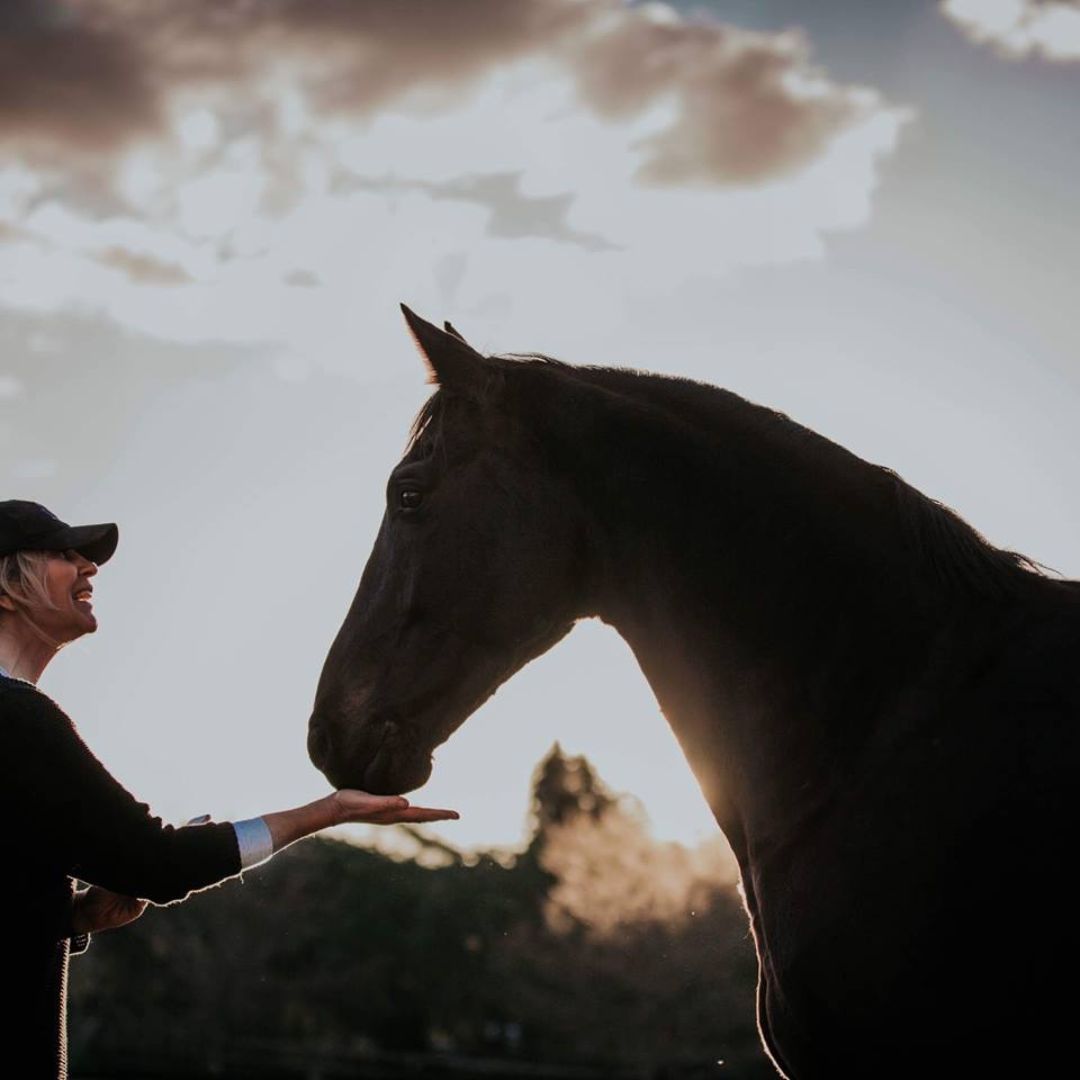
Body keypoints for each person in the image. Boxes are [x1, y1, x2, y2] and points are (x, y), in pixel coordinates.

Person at [0, 499, 457, 1079]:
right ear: (6, 587)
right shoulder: (16, 719)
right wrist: (328, 811)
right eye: (63, 555)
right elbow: (155, 862)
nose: (89, 569)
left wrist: (72, 917)